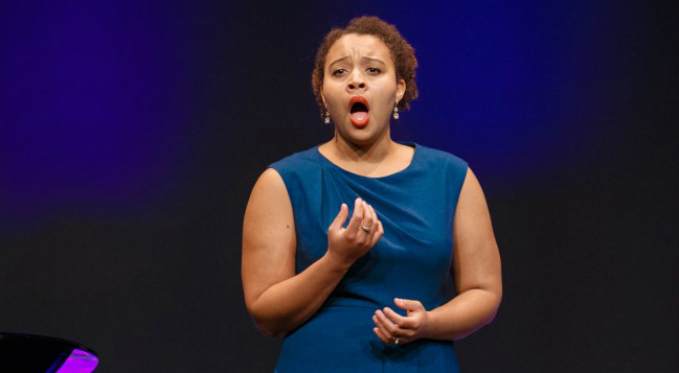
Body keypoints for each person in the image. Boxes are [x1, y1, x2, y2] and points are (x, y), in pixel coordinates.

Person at [242, 16, 502, 372]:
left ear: (399, 88)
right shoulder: (282, 182)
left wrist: (429, 323)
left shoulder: (452, 177)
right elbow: (265, 314)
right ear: (322, 92)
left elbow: (484, 292)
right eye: (339, 73)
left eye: (373, 70)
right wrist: (337, 260)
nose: (356, 80)